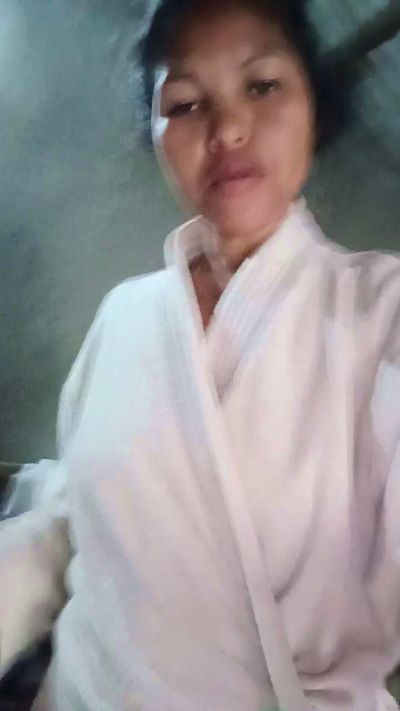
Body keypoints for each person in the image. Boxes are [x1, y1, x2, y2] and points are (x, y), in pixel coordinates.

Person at [1, 0, 400, 709]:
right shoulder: (124, 316)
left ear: (314, 104)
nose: (228, 128)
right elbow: (76, 519)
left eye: (262, 85)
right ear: (154, 133)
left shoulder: (379, 310)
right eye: (185, 103)